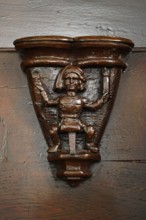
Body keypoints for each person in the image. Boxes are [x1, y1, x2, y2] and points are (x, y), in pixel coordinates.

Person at [35, 65, 108, 153]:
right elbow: (47, 102)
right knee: (52, 130)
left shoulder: (81, 100)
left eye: (74, 79)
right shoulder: (60, 99)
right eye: (68, 79)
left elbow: (94, 106)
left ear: (80, 82)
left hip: (77, 121)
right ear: (63, 82)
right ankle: (57, 144)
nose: (71, 82)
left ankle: (89, 144)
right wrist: (41, 89)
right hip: (63, 121)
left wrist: (105, 82)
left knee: (90, 130)